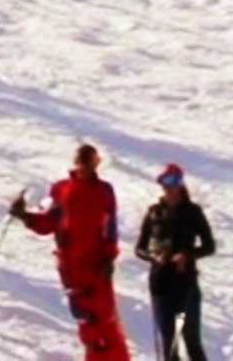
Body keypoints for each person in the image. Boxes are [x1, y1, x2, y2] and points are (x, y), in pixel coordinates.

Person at [11, 142, 131, 358]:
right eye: (81, 162)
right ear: (75, 163)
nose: (84, 168)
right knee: (85, 319)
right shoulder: (61, 189)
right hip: (71, 267)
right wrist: (25, 216)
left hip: (96, 266)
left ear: (96, 164)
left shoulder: (104, 191)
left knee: (104, 320)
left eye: (89, 162)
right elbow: (48, 222)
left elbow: (109, 227)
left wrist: (109, 258)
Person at [136, 163, 215, 361]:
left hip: (185, 282)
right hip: (161, 282)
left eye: (172, 182)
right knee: (168, 341)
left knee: (191, 339)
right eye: (164, 182)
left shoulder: (192, 212)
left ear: (180, 184)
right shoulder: (154, 212)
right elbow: (139, 248)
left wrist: (187, 256)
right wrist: (155, 257)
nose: (168, 187)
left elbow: (209, 246)